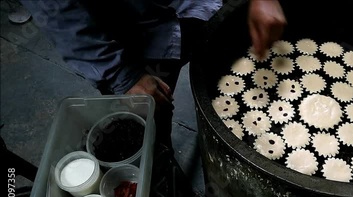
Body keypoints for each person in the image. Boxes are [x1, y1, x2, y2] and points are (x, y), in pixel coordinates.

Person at [19, 0, 287, 147]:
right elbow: (54, 8)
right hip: (133, 34)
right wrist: (121, 75)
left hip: (191, 6)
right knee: (150, 121)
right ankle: (163, 188)